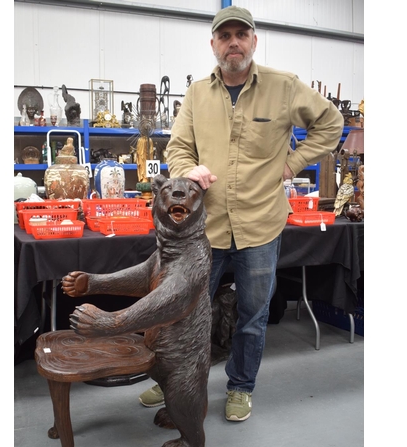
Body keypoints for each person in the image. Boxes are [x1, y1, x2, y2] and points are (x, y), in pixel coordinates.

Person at [138, 5, 344, 422]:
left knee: (253, 313)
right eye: (225, 35)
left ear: (253, 40)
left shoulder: (284, 87)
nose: (233, 42)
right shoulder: (197, 93)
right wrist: (185, 169)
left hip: (261, 224)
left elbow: (332, 123)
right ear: (213, 44)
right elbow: (177, 147)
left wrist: (292, 164)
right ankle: (172, 377)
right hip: (205, 230)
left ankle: (240, 386)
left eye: (241, 35)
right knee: (183, 310)